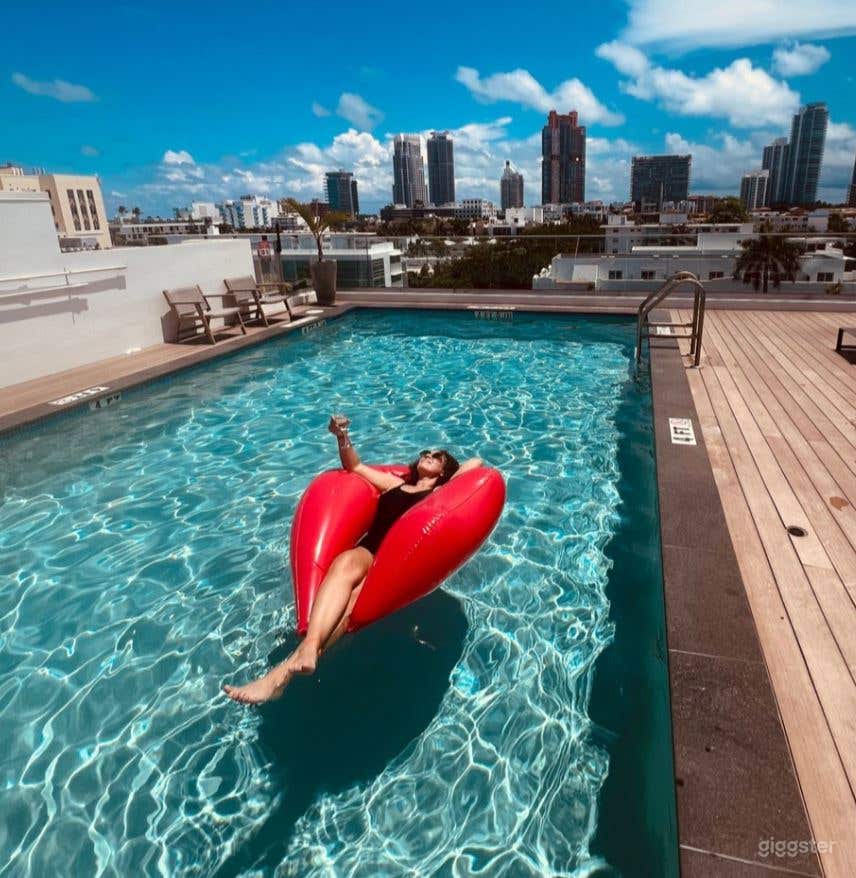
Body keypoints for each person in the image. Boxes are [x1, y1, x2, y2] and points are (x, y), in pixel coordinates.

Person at [223, 415, 483, 704]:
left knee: (350, 609)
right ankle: (301, 655)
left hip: (398, 567)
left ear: (445, 470)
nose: (428, 455)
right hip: (370, 553)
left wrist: (448, 475)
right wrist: (342, 435)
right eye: (425, 452)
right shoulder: (393, 485)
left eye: (436, 456)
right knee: (346, 562)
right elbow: (355, 466)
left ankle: (282, 674)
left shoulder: (439, 493)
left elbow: (476, 464)